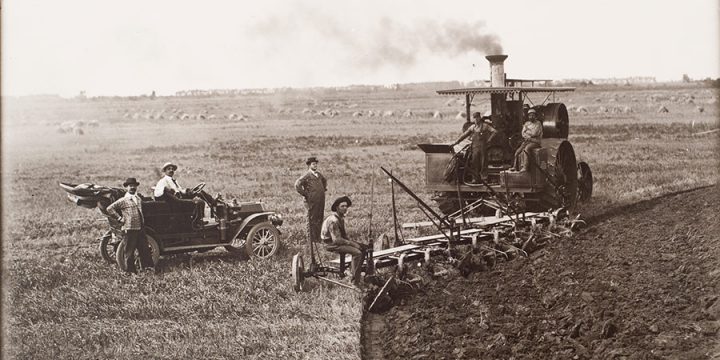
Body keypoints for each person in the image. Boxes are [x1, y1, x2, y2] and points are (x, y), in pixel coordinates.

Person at [106, 177, 154, 273]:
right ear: (127, 187)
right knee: (129, 251)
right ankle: (130, 272)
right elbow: (109, 208)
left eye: (134, 186)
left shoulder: (138, 199)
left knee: (144, 249)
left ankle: (147, 269)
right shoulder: (123, 200)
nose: (133, 187)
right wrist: (119, 218)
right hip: (129, 228)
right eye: (130, 186)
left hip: (140, 228)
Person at [321, 196, 367, 288]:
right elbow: (337, 240)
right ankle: (354, 281)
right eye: (342, 206)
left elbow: (343, 236)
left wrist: (357, 244)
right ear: (337, 208)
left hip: (336, 242)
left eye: (346, 206)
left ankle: (356, 272)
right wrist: (352, 244)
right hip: (330, 244)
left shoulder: (340, 218)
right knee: (357, 253)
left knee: (364, 248)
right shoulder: (333, 221)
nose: (345, 208)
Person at [451, 111, 497, 183]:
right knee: (474, 163)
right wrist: (456, 142)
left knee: (483, 162)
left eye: (477, 118)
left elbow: (494, 131)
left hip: (483, 147)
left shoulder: (485, 126)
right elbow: (464, 135)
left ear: (480, 118)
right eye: (474, 118)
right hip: (475, 148)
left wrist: (489, 140)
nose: (476, 120)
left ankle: (484, 178)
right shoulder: (472, 127)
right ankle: (475, 178)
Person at [294, 156, 327, 244]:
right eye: (313, 164)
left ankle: (318, 238)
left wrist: (323, 189)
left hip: (320, 200)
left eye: (316, 164)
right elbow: (297, 185)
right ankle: (311, 240)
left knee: (319, 218)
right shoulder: (307, 175)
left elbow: (324, 181)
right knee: (311, 219)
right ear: (309, 165)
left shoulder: (319, 175)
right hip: (311, 201)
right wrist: (306, 194)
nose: (315, 165)